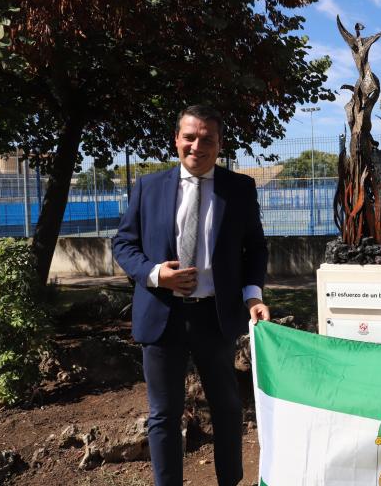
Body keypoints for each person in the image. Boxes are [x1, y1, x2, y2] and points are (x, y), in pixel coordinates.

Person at [112, 105, 269, 486]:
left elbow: (255, 249)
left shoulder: (240, 189)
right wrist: (155, 275)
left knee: (228, 410)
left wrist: (252, 295)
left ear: (219, 144)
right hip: (161, 315)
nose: (197, 145)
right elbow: (123, 243)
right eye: (190, 137)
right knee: (164, 415)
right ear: (177, 139)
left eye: (207, 139)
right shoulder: (149, 187)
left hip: (214, 318)